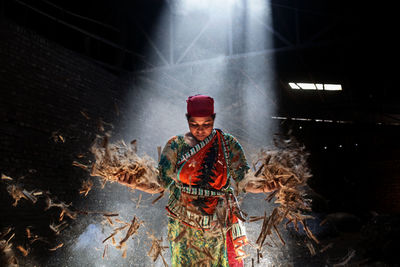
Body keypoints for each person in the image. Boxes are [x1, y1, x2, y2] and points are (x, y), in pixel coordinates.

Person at [118, 94, 278, 267]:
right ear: (188, 120)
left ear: (214, 119)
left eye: (206, 124)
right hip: (183, 224)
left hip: (217, 222)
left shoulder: (228, 143)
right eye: (194, 124)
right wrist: (134, 181)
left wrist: (262, 186)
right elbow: (159, 183)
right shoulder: (176, 145)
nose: (200, 130)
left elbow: (244, 179)